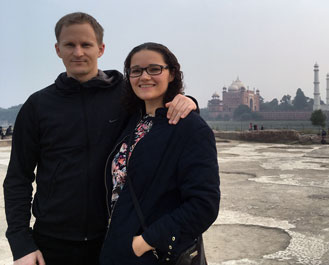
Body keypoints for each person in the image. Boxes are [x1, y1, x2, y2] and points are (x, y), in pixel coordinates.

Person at [3, 12, 197, 265]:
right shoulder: (38, 106)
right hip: (54, 240)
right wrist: (20, 243)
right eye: (70, 45)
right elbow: (18, 178)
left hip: (116, 235)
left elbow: (161, 106)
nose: (78, 52)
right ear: (57, 50)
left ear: (101, 49)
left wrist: (188, 102)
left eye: (86, 44)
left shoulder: (126, 96)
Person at [99, 42, 220, 264]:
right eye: (136, 71)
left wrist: (144, 242)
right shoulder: (130, 122)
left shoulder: (190, 129)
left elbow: (204, 205)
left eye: (154, 69)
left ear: (172, 73)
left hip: (152, 254)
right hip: (116, 250)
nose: (144, 77)